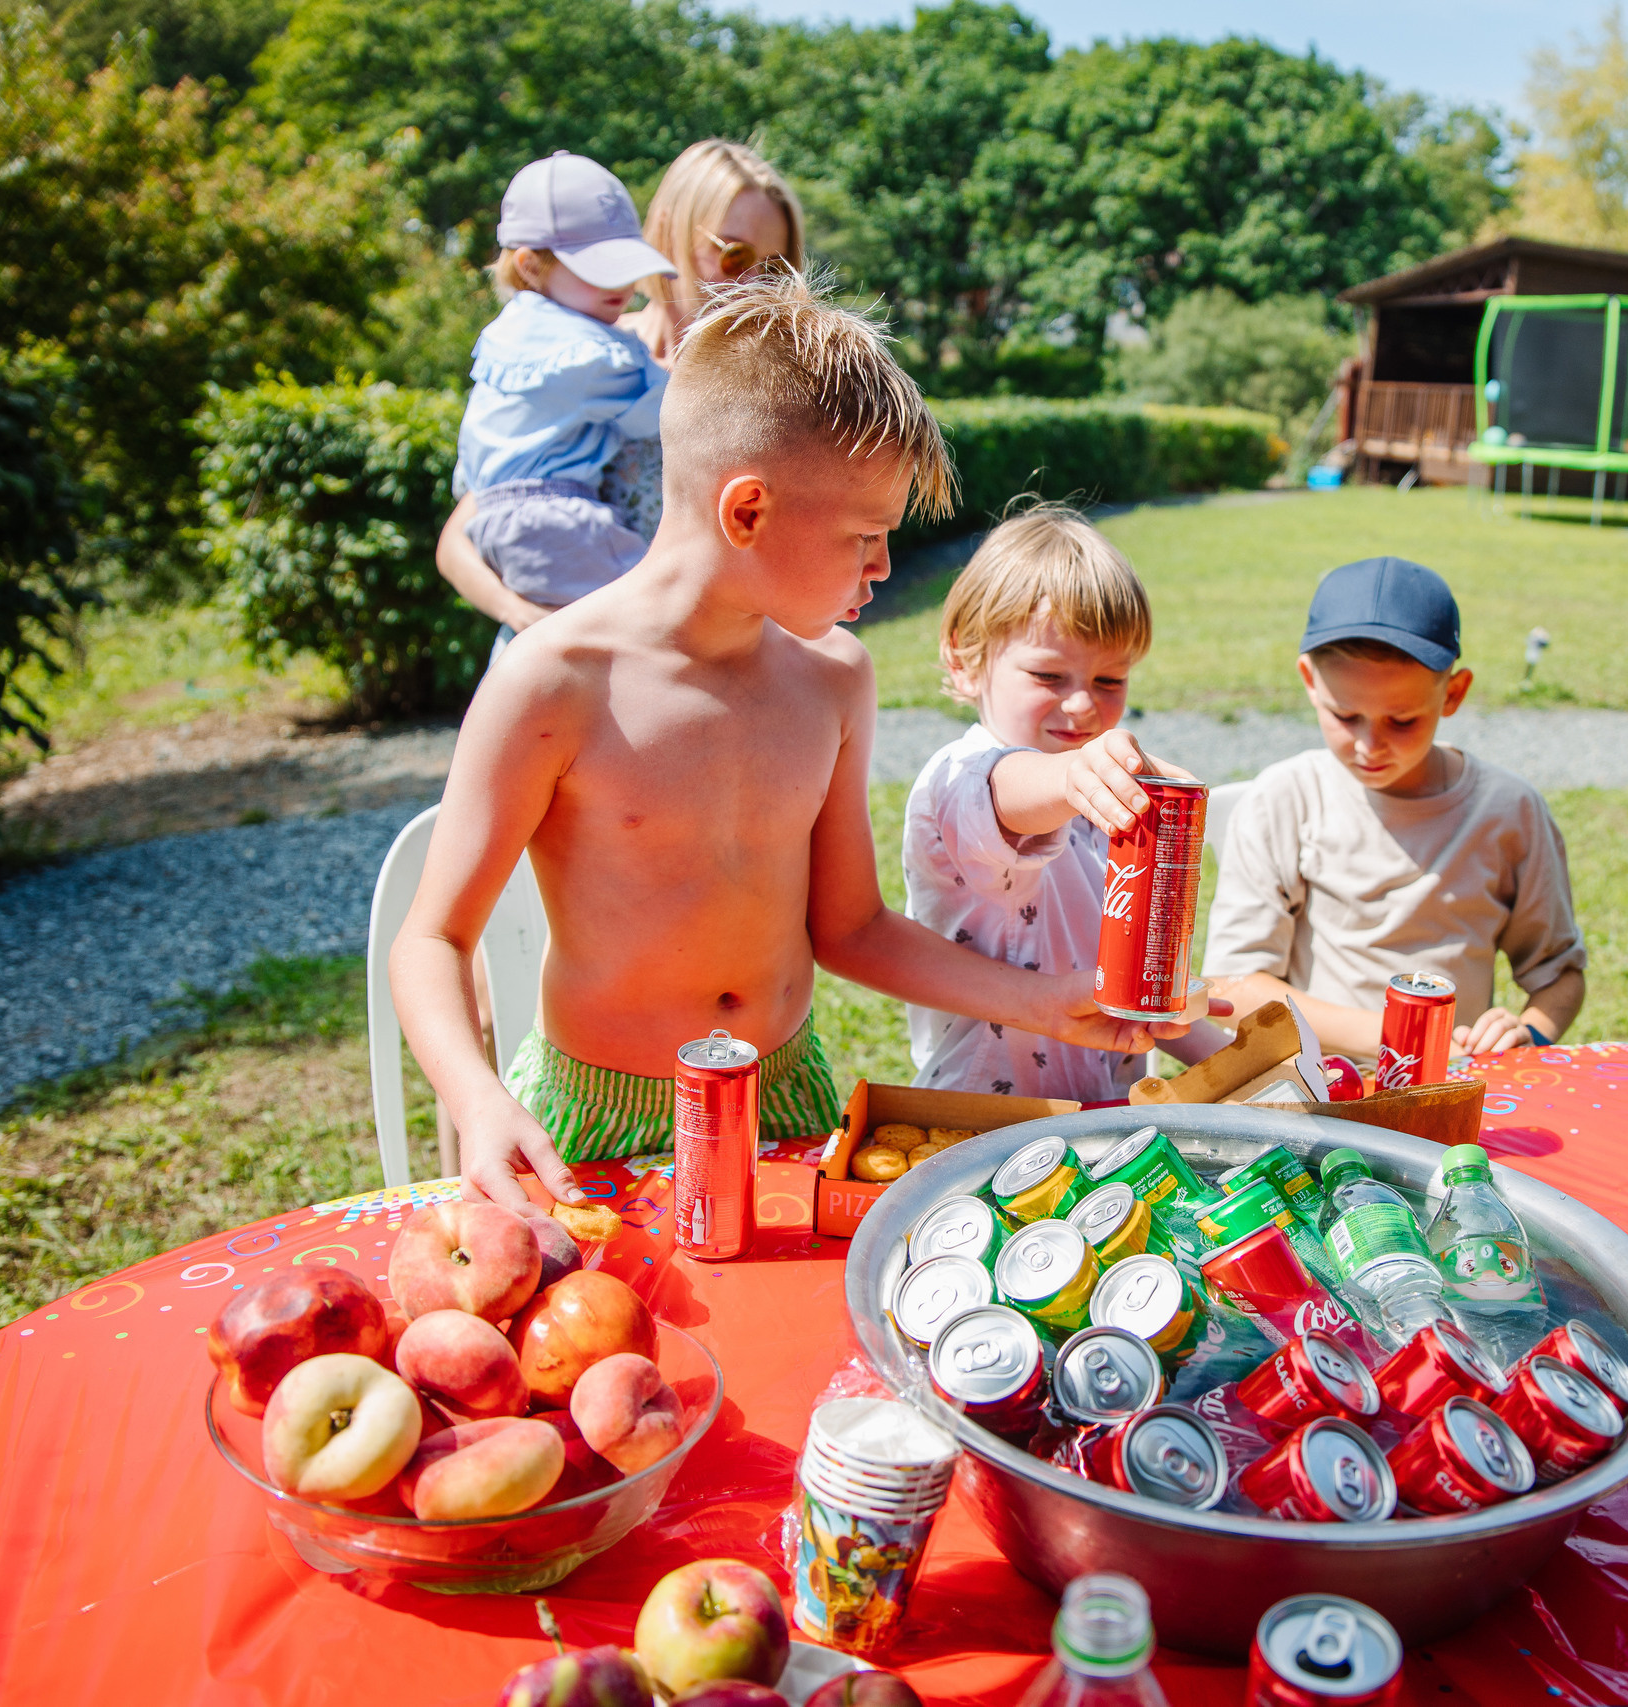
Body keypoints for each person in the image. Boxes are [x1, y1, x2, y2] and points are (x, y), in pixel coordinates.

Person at [393, 271, 1192, 1208]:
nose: (885, 567)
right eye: (864, 537)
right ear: (746, 511)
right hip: (595, 1114)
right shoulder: (554, 680)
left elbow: (847, 928)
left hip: (785, 1099)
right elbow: (433, 937)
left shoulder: (832, 677)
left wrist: (1039, 1000)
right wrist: (478, 1100)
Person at [1203, 557, 1587, 1066]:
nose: (1369, 745)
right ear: (1310, 681)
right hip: (1318, 1097)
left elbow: (1559, 974)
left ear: (1453, 693)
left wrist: (1528, 1036)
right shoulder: (1286, 799)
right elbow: (1231, 989)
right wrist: (1400, 1037)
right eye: (1345, 716)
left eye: (1402, 720)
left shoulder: (1508, 811)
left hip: (1452, 1092)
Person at [902, 505, 1229, 1101]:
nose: (1083, 706)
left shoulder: (1098, 795)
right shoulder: (959, 777)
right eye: (1050, 677)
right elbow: (1007, 792)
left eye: (1109, 681)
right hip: (986, 1113)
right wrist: (1073, 774)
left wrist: (1240, 1061)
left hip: (1104, 1101)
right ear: (964, 658)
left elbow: (1125, 986)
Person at [435, 140, 807, 642]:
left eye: (776, 266)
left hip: (706, 659)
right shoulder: (581, 359)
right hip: (564, 645)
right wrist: (526, 619)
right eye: (736, 254)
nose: (755, 284)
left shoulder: (772, 390)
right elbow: (461, 535)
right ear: (670, 232)